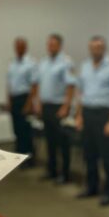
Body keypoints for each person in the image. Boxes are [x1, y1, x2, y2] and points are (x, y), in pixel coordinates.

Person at [74, 36, 109, 205]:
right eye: (93, 47)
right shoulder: (85, 66)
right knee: (89, 155)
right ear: (89, 49)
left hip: (104, 115)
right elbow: (80, 93)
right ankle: (92, 187)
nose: (96, 50)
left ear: (104, 49)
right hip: (88, 113)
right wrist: (79, 115)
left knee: (108, 156)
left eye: (100, 47)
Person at [34, 34, 77, 184]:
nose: (50, 47)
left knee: (62, 143)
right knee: (50, 141)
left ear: (59, 46)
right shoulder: (43, 62)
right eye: (49, 44)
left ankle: (64, 174)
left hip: (59, 107)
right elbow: (40, 85)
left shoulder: (66, 62)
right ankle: (51, 170)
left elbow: (71, 86)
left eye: (53, 44)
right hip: (46, 106)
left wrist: (66, 106)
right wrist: (39, 103)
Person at [6, 37, 38, 165]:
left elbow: (34, 85)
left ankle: (29, 157)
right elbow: (9, 84)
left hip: (25, 98)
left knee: (26, 130)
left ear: (25, 47)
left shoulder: (31, 63)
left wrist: (29, 104)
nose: (18, 49)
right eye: (17, 46)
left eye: (21, 46)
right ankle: (19, 155)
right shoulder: (12, 63)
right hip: (14, 99)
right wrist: (9, 101)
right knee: (16, 129)